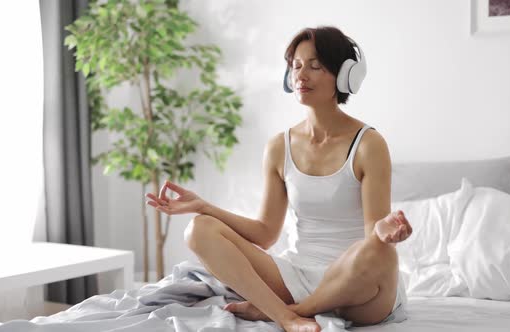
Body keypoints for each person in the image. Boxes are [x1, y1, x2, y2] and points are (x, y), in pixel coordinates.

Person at [145, 26, 413, 332]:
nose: (301, 75)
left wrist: (384, 230)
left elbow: (372, 233)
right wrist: (204, 207)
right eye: (296, 66)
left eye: (315, 66)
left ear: (344, 75)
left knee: (382, 252)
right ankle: (286, 317)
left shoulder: (369, 144)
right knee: (198, 229)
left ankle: (288, 311)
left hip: (358, 287)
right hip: (295, 275)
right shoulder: (278, 147)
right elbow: (265, 233)